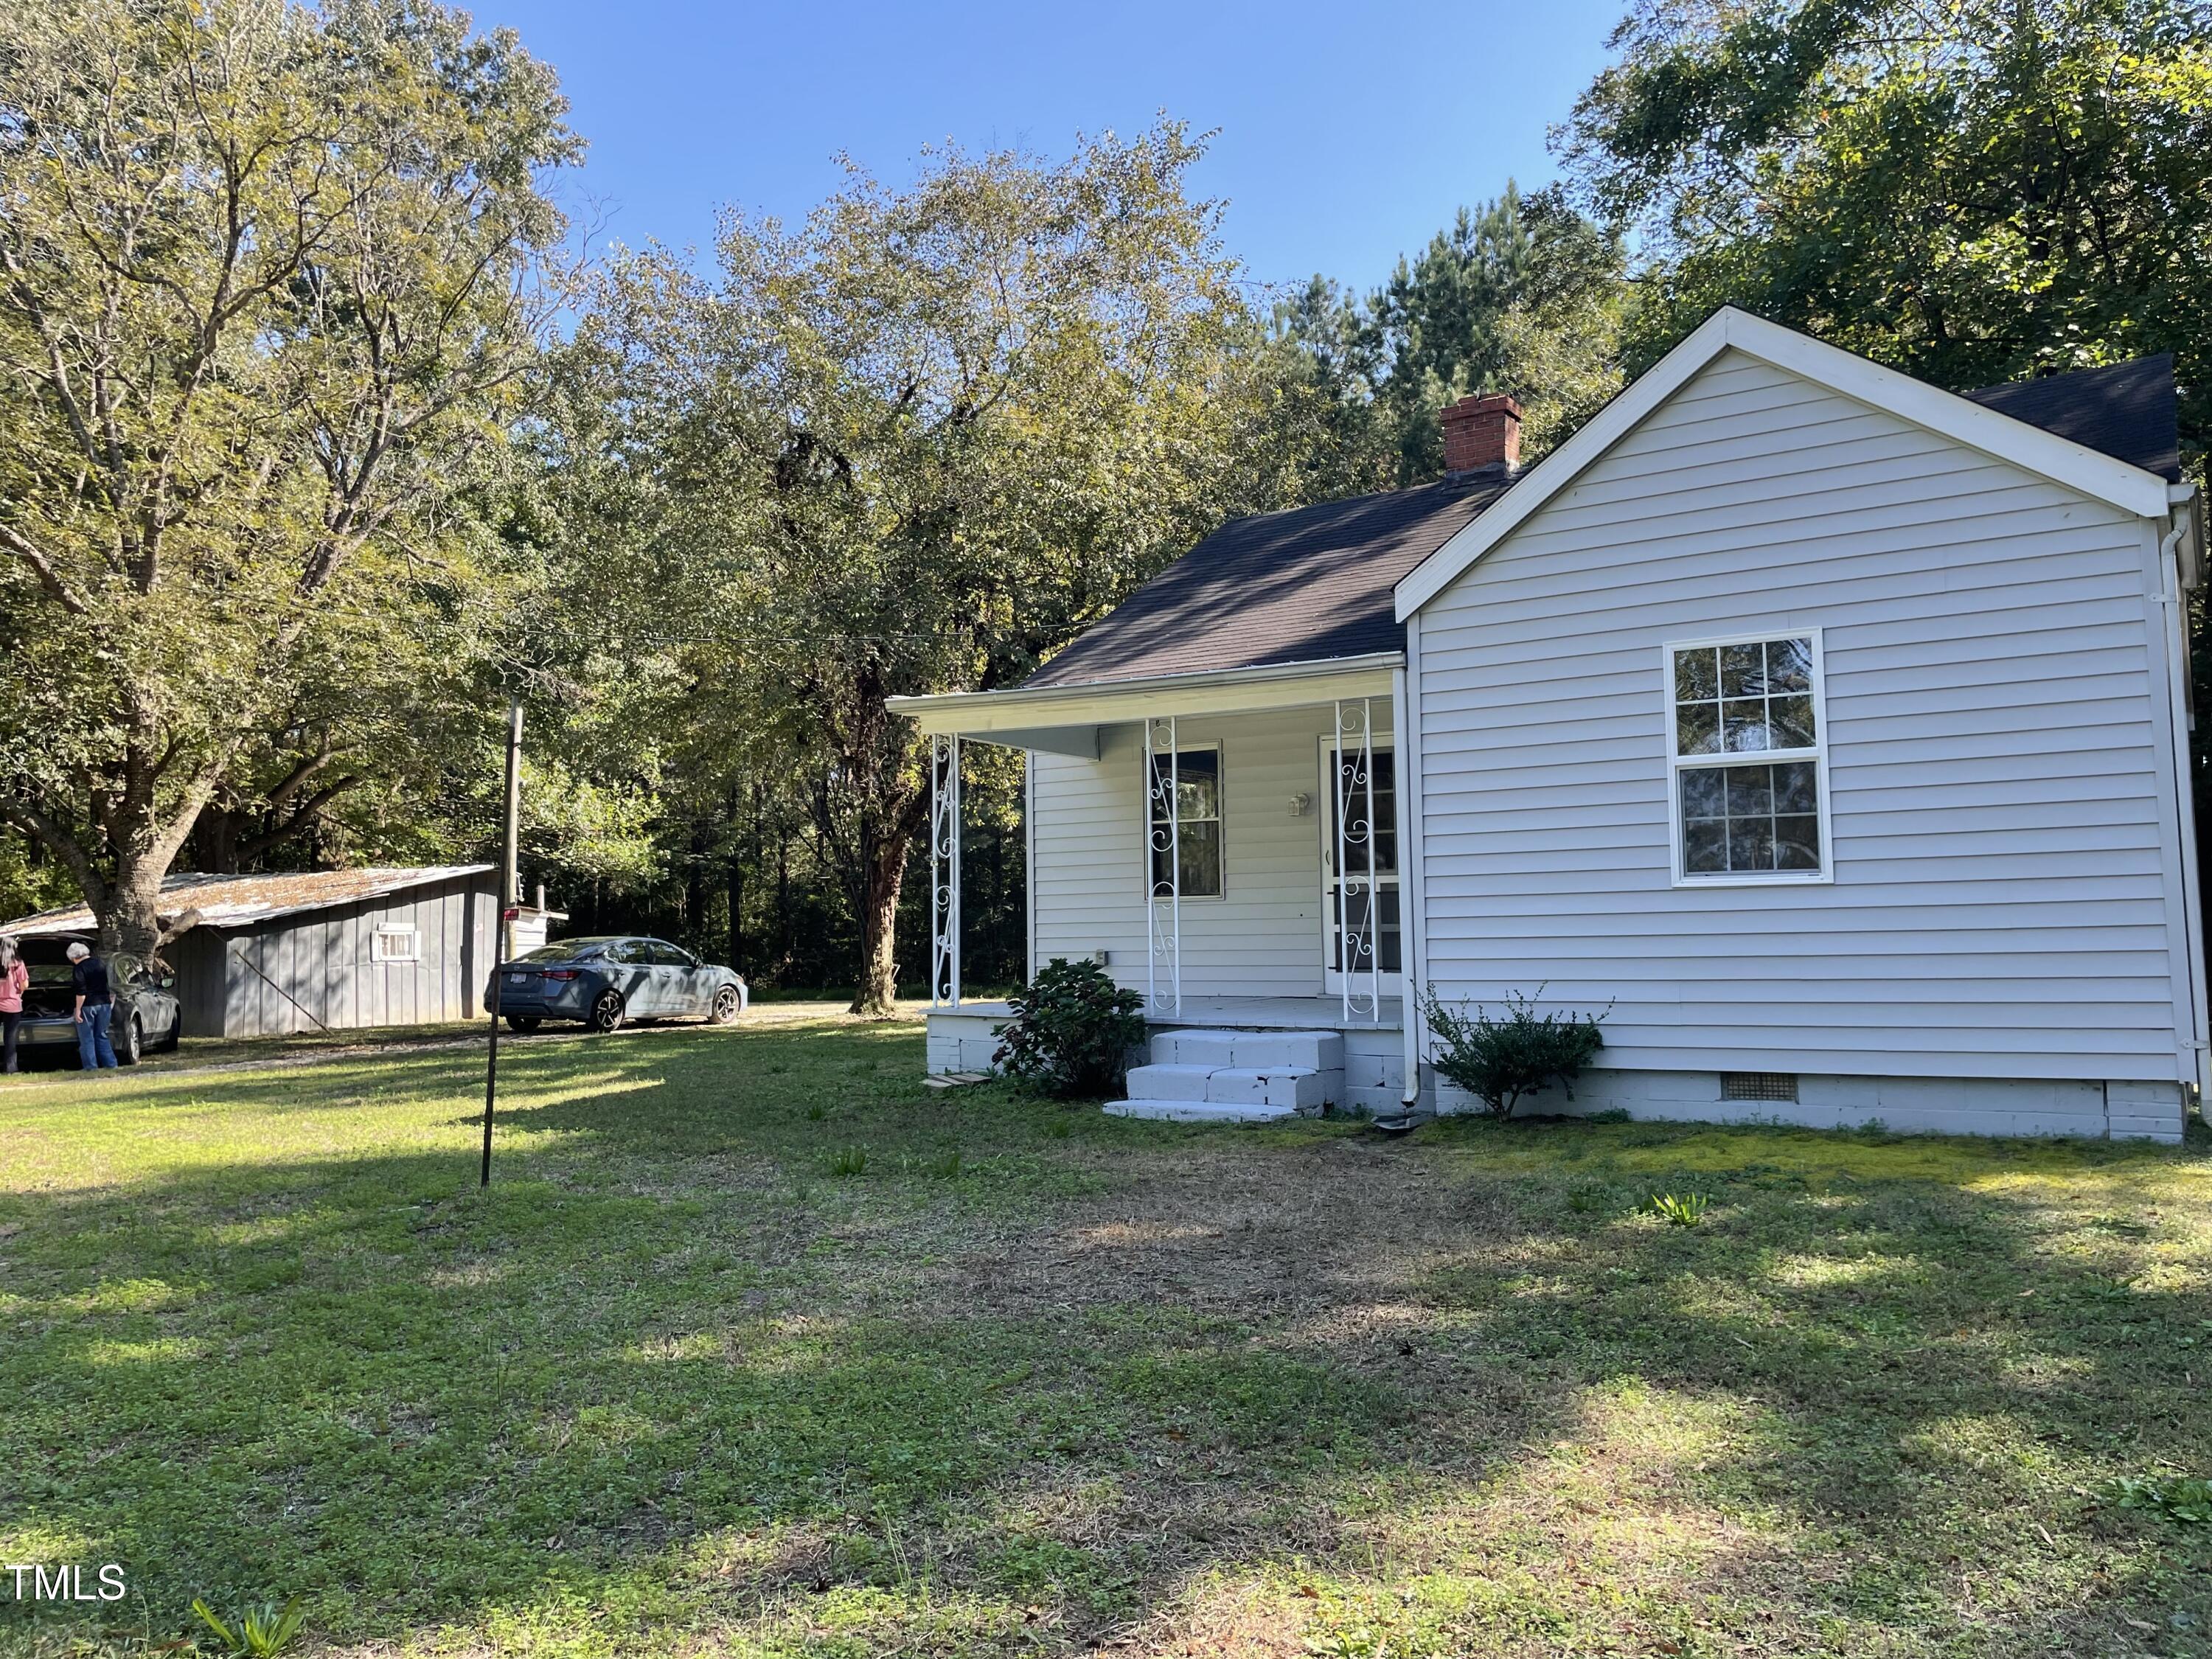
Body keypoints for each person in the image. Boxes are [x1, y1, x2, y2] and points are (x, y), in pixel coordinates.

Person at [69, 940, 117, 1070]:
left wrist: (78, 1010)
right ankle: (111, 1064)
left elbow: (81, 992)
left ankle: (91, 1067)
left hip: (88, 1005)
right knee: (102, 1035)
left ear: (74, 957)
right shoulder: (100, 963)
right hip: (104, 1003)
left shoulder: (79, 968)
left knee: (87, 1038)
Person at [0, 936, 24, 1074]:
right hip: (12, 1005)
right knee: (9, 1038)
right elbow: (24, 984)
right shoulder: (18, 964)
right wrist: (18, 992)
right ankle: (10, 1069)